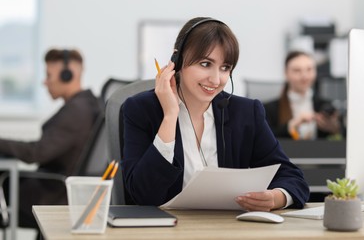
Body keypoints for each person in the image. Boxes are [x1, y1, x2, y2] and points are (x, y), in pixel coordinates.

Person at [121, 17, 309, 211]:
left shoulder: (246, 113)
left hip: (228, 227)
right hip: (167, 230)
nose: (215, 79)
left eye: (225, 67)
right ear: (177, 61)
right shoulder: (141, 109)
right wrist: (170, 115)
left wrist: (276, 197)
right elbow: (142, 195)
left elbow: (292, 177)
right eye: (205, 64)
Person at [0, 48, 101, 228]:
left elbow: (35, 153)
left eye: (49, 75)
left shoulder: (76, 111)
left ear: (67, 75)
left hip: (52, 195)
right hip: (57, 189)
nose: (45, 82)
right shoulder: (86, 104)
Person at [264, 50, 343, 140]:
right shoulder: (269, 110)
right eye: (297, 70)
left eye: (309, 69)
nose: (304, 76)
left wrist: (335, 129)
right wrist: (291, 126)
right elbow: (264, 140)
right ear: (286, 73)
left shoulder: (325, 106)